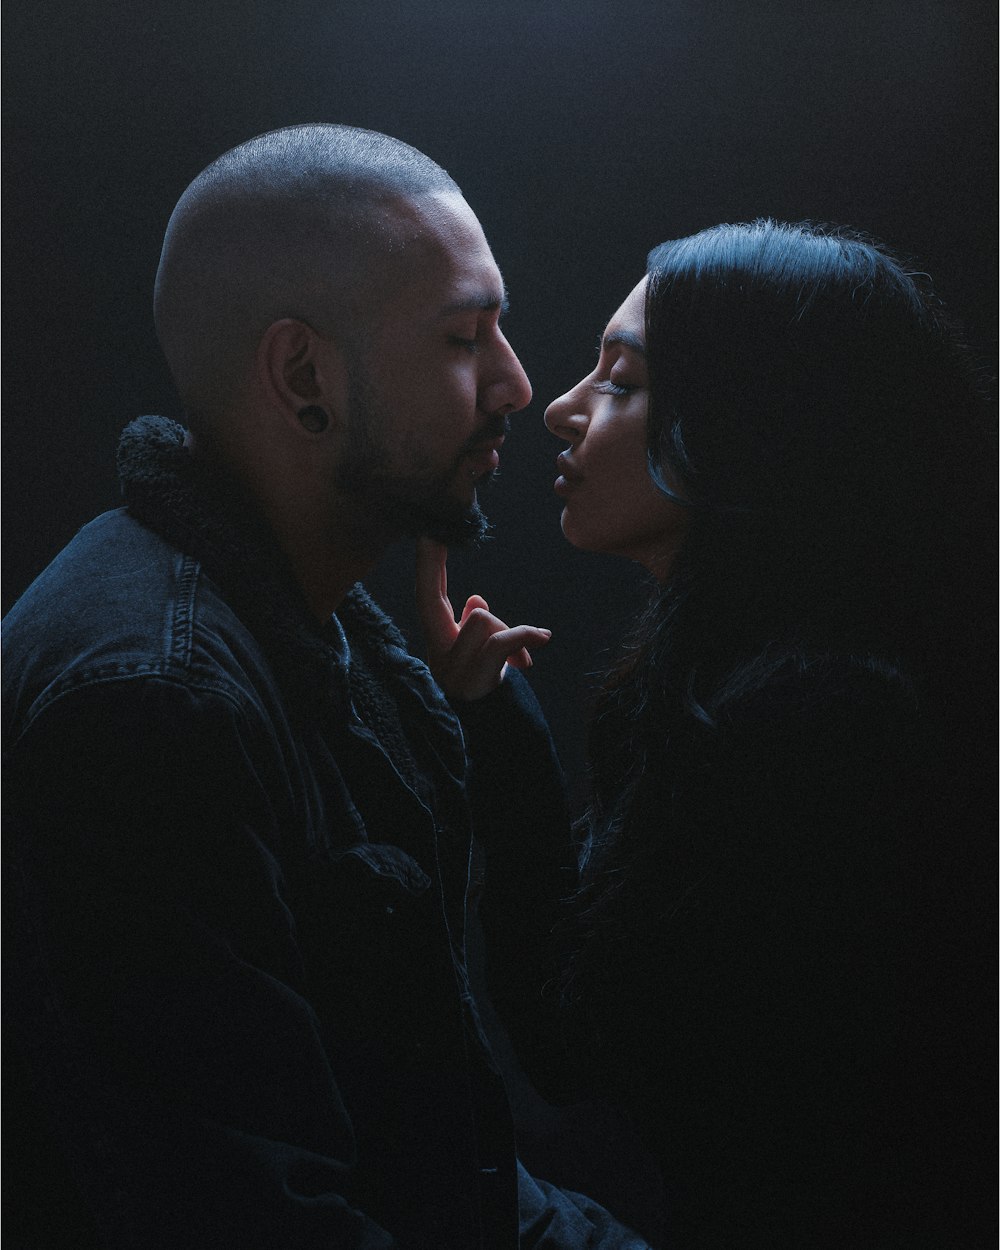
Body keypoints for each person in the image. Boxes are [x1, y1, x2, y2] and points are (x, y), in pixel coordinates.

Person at [3, 124, 652, 1249]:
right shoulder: (154, 705)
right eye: (464, 337)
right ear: (303, 375)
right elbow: (249, 1215)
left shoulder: (332, 626)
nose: (516, 384)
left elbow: (435, 1158)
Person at [422, 221, 994, 1246]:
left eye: (621, 382)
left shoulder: (821, 735)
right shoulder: (737, 686)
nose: (557, 407)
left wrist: (500, 744)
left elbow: (585, 1057)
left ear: (751, 426)